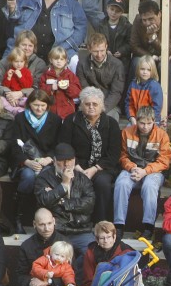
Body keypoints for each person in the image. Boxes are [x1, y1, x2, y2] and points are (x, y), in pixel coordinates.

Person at [57, 86, 121, 223]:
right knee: (74, 180)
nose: (91, 107)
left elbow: (114, 154)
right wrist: (77, 167)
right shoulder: (71, 121)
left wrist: (94, 169)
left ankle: (101, 222)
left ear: (102, 105)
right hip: (75, 165)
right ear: (81, 105)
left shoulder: (111, 124)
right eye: (87, 104)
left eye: (95, 104)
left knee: (102, 183)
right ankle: (75, 222)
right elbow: (65, 147)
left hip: (102, 167)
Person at [113, 105, 171, 241]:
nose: (145, 127)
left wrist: (145, 171)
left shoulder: (162, 135)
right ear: (136, 121)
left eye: (149, 123)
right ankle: (119, 225)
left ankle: (148, 226)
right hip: (132, 168)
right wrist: (132, 167)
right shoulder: (126, 132)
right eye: (142, 123)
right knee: (121, 183)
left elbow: (164, 161)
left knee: (150, 186)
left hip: (153, 170)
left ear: (154, 122)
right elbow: (122, 155)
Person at [11, 89, 61, 231]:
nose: (39, 109)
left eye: (43, 105)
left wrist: (49, 158)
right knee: (28, 176)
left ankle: (47, 219)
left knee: (47, 177)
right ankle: (18, 217)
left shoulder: (55, 120)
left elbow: (58, 144)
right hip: (27, 161)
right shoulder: (20, 119)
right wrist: (27, 162)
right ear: (29, 105)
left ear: (47, 106)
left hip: (47, 161)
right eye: (36, 105)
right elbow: (14, 144)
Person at [34, 142, 96, 255]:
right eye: (62, 161)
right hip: (56, 231)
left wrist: (62, 201)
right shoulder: (44, 178)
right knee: (55, 257)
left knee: (91, 255)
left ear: (74, 160)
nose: (66, 164)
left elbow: (89, 204)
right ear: (54, 161)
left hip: (81, 230)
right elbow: (44, 201)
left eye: (70, 160)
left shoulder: (82, 179)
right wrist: (64, 185)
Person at [4, 0, 86, 67]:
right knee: (6, 64)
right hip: (25, 50)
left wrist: (65, 46)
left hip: (59, 53)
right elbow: (11, 20)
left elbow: (81, 28)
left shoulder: (72, 4)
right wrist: (11, 10)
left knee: (74, 61)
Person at [16, 209, 68, 286]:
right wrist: (31, 282)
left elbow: (72, 274)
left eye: (49, 223)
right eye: (42, 224)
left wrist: (48, 282)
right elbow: (20, 275)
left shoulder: (65, 244)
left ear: (54, 221)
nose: (47, 228)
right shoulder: (27, 246)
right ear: (34, 224)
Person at [76, 33, 126, 121]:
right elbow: (84, 87)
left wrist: (102, 109)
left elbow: (116, 92)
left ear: (106, 46)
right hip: (89, 102)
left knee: (109, 121)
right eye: (95, 51)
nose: (99, 55)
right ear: (89, 49)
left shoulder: (117, 64)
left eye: (102, 50)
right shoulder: (82, 64)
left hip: (110, 104)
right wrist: (92, 106)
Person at [0, 30, 46, 106]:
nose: (27, 48)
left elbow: (38, 87)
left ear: (34, 47)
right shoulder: (5, 61)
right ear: (17, 45)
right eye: (24, 45)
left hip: (29, 100)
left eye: (30, 46)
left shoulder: (39, 63)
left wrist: (21, 93)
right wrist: (9, 94)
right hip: (6, 97)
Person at [80, 221, 133, 286]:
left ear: (114, 237)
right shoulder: (90, 252)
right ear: (97, 239)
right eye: (102, 238)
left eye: (109, 237)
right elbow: (88, 279)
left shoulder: (125, 251)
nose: (106, 241)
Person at [39, 46, 81, 119]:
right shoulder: (46, 74)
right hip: (50, 109)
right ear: (51, 60)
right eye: (56, 59)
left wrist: (67, 87)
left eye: (62, 59)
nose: (59, 61)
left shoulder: (70, 75)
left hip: (67, 110)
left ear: (65, 61)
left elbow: (77, 92)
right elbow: (40, 91)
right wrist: (51, 88)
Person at [93, 0, 132, 73]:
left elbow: (130, 42)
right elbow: (97, 41)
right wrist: (106, 50)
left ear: (121, 12)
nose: (114, 13)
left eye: (117, 11)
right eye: (112, 9)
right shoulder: (100, 25)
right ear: (107, 9)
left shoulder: (127, 26)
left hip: (122, 59)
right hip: (104, 57)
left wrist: (122, 51)